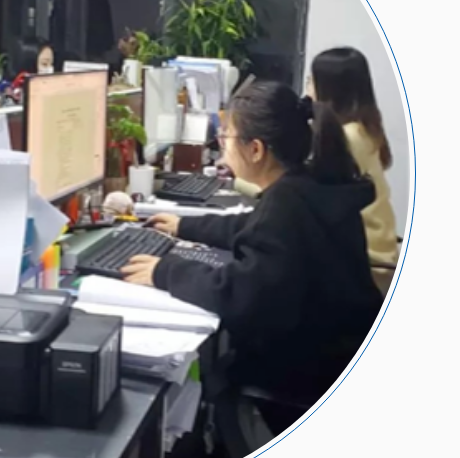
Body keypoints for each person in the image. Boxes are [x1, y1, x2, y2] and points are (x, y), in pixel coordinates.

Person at [121, 81, 383, 435]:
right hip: (341, 356)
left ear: (255, 149)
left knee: (215, 372)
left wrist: (165, 271)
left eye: (226, 138)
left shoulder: (285, 204)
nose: (222, 146)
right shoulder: (308, 187)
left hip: (303, 381)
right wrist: (185, 226)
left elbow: (240, 296)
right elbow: (251, 226)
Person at [309, 47, 398, 294]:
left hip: (369, 262)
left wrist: (236, 179)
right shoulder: (364, 128)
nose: (308, 88)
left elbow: (302, 189)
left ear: (329, 88)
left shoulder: (347, 137)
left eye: (311, 80)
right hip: (380, 250)